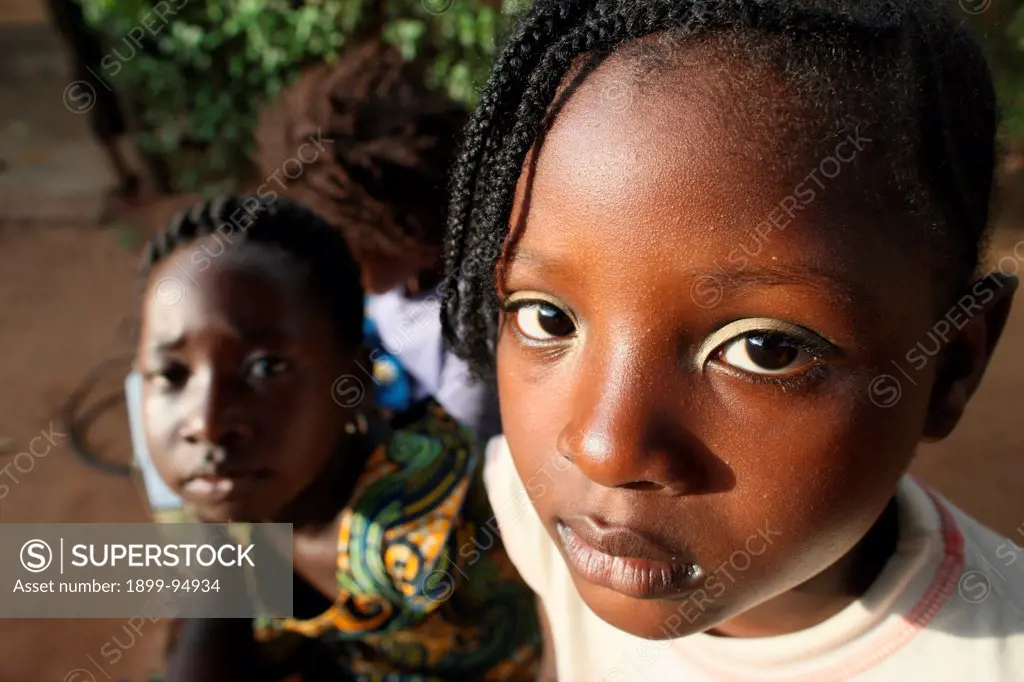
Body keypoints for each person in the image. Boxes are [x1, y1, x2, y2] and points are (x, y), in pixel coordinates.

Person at [440, 1, 1024, 680]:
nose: (605, 448)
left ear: (954, 365)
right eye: (547, 318)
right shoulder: (503, 512)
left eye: (766, 350)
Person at [135, 195, 539, 681]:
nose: (207, 421)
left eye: (267, 367)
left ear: (354, 382)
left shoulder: (441, 530)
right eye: (171, 374)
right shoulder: (231, 495)